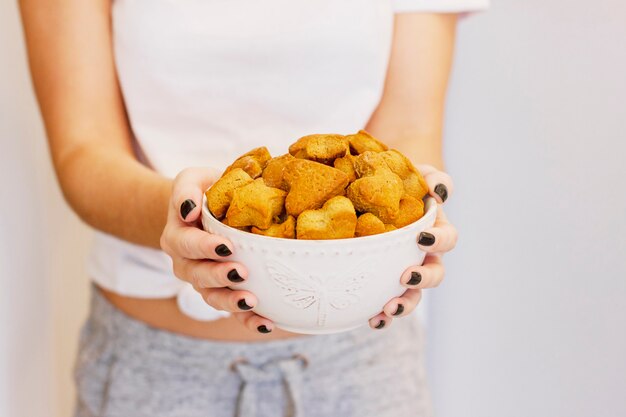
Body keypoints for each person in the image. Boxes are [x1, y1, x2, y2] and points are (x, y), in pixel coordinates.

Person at [19, 0, 487, 415]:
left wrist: (412, 224)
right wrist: (185, 221)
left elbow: (410, 126)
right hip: (153, 371)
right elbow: (82, 149)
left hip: (365, 371)